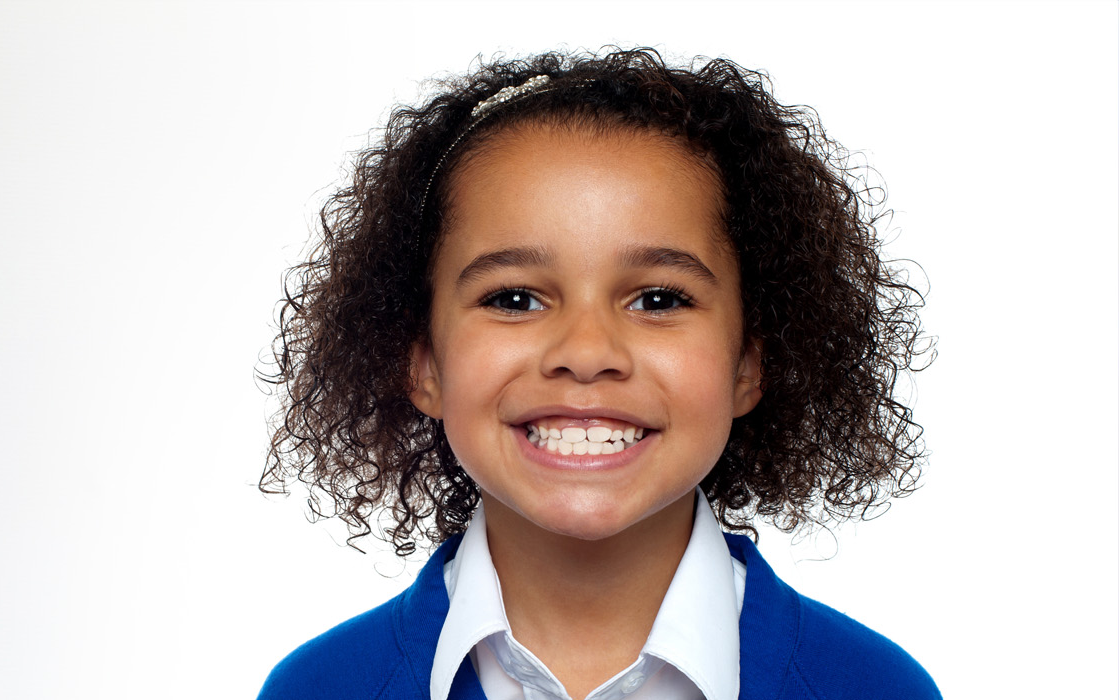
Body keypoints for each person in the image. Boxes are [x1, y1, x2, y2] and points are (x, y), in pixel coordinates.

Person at [256, 48, 939, 700]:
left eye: (659, 299)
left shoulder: (875, 691)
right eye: (514, 299)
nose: (585, 352)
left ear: (749, 364)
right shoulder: (319, 692)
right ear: (423, 362)